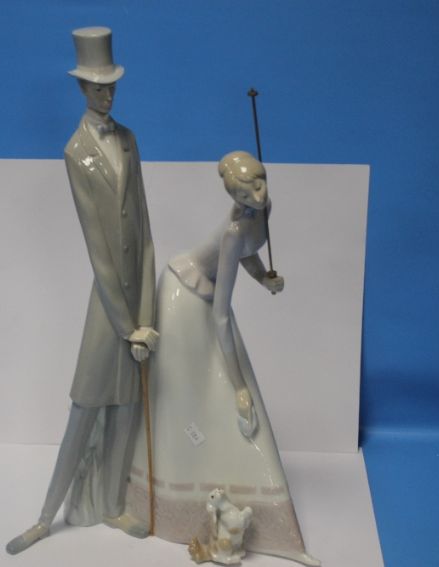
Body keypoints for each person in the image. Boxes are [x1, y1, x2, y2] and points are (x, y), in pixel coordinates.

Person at [6, 27, 158, 555]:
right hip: (109, 308)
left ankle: (112, 504)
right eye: (97, 88)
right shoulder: (76, 152)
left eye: (111, 86)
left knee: (127, 409)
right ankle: (45, 517)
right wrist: (127, 326)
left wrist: (148, 315)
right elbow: (99, 251)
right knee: (85, 407)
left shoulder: (130, 140)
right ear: (81, 89)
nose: (107, 95)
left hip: (137, 306)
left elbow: (145, 231)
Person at [128, 151, 320, 566]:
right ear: (234, 197)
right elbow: (221, 315)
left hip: (205, 290)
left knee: (208, 386)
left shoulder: (262, 208)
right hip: (184, 294)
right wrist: (239, 386)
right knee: (193, 393)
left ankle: (271, 527)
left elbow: (248, 253)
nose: (257, 195)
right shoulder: (234, 230)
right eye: (245, 193)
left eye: (259, 184)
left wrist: (263, 277)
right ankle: (174, 498)